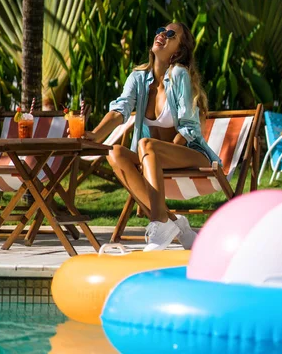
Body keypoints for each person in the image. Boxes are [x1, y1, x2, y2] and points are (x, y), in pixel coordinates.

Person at [85, 22, 220, 251]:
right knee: (115, 153)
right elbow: (120, 110)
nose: (161, 35)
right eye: (160, 31)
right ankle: (174, 223)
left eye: (170, 35)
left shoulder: (179, 76)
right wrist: (95, 135)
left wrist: (163, 156)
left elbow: (188, 127)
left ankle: (158, 221)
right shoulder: (138, 78)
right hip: (152, 158)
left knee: (146, 144)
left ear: (177, 51)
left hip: (191, 154)